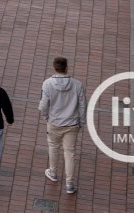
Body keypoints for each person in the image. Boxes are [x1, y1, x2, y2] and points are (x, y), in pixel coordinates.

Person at [40, 56, 86, 194]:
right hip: (72, 123)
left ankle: (53, 172)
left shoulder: (47, 84)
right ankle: (69, 184)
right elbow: (82, 105)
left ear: (55, 68)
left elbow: (43, 105)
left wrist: (47, 117)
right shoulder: (77, 85)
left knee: (53, 147)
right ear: (66, 68)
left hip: (54, 122)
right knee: (69, 153)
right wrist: (81, 121)